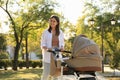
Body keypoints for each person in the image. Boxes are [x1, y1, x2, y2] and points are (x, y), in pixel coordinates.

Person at [41, 15, 64, 80]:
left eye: (54, 21)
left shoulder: (60, 32)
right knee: (46, 73)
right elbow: (43, 44)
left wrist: (62, 47)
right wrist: (47, 48)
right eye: (51, 21)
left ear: (57, 23)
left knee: (56, 74)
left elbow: (62, 43)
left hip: (57, 54)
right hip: (48, 55)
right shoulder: (45, 32)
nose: (52, 22)